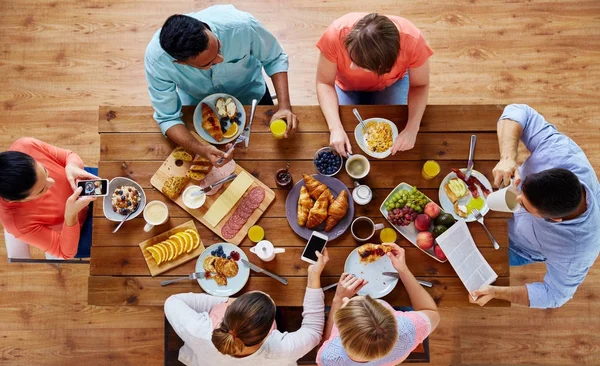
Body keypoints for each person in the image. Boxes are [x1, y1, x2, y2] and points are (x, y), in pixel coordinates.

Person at [470, 104, 600, 309]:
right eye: (522, 192)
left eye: (524, 204)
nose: (517, 198)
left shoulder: (575, 251)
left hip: (516, 246)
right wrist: (508, 157)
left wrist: (496, 292)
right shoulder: (562, 154)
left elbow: (555, 295)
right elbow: (519, 111)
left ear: (555, 219)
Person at [145, 5, 299, 167]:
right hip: (199, 109)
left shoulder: (241, 25)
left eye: (218, 47)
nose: (220, 59)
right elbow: (167, 118)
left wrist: (284, 107)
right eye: (209, 63)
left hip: (252, 97)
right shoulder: (157, 61)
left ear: (204, 27)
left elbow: (274, 58)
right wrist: (203, 150)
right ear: (181, 63)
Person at [164, 249, 329, 365]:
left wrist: (225, 300)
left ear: (226, 313)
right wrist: (314, 275)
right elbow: (313, 331)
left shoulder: (198, 331)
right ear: (268, 334)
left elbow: (172, 302)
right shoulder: (281, 350)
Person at [316, 13, 433, 157]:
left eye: (359, 64)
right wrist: (335, 128)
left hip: (390, 85)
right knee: (345, 130)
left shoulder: (414, 42)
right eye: (351, 57)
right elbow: (324, 82)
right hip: (345, 86)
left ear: (384, 68)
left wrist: (412, 128)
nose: (351, 66)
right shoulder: (335, 35)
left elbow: (420, 85)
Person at [317, 244, 440, 365]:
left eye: (348, 303)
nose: (346, 301)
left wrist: (338, 299)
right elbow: (430, 311)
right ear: (394, 318)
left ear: (338, 329)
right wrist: (403, 270)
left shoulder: (329, 358)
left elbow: (325, 343)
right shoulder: (408, 329)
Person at [0, 138, 98, 259]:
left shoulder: (26, 146)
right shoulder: (17, 224)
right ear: (16, 201)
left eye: (45, 171)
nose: (52, 182)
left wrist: (72, 166)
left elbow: (69, 155)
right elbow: (65, 252)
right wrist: (70, 217)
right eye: (42, 190)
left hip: (80, 181)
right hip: (80, 232)